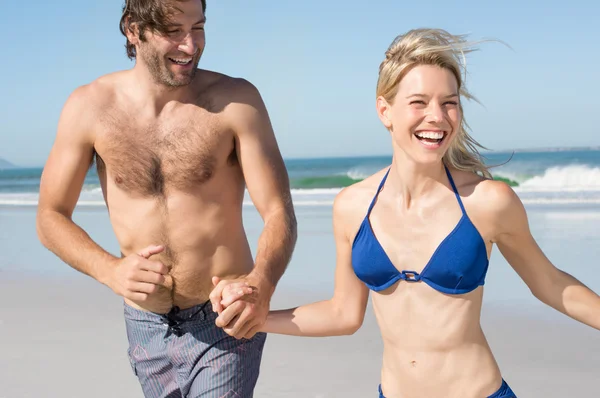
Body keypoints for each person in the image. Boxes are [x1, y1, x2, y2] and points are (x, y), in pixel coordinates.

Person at [215, 29, 600, 398]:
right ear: (385, 111)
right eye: (419, 102)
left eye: (449, 102)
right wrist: (258, 319)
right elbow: (343, 313)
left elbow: (550, 284)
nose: (437, 116)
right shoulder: (352, 206)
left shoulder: (487, 201)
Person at [36, 0, 297, 396]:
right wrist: (110, 270)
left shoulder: (236, 101)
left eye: (199, 28)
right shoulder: (89, 108)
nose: (190, 46)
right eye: (173, 31)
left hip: (225, 317)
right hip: (145, 324)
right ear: (133, 30)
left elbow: (278, 211)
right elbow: (50, 216)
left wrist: (262, 283)